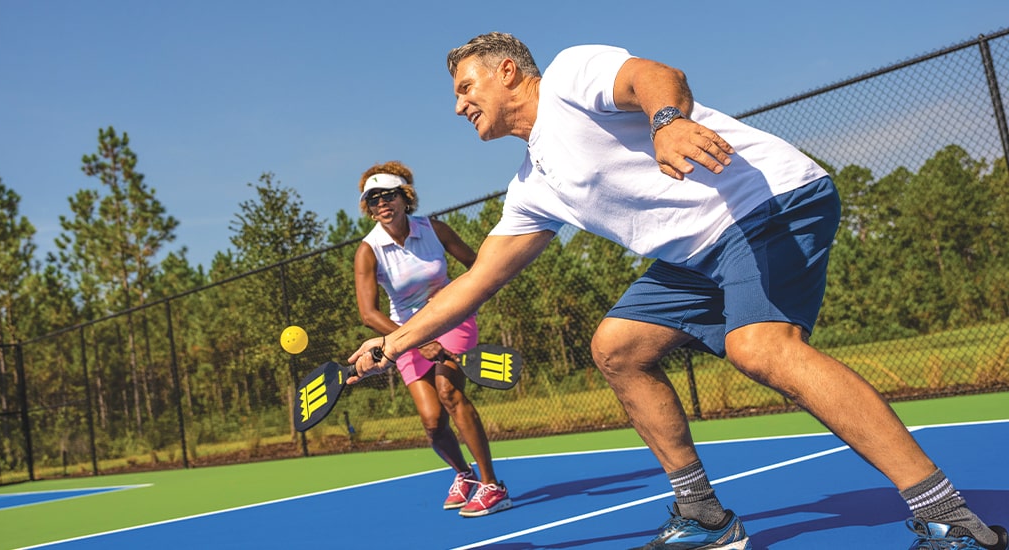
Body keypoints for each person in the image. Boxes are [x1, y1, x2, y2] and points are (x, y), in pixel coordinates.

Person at [347, 32, 1006, 549]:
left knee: (761, 349)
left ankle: (949, 519)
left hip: (766, 203)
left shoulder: (570, 76)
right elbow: (476, 280)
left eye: (466, 88)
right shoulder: (532, 186)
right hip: (697, 254)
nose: (459, 105)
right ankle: (703, 514)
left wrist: (666, 120)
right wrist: (393, 343)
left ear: (508, 72)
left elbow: (654, 75)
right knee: (617, 347)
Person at [348, 160, 511, 518]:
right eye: (373, 199)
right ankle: (464, 474)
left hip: (452, 317)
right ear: (369, 209)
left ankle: (492, 486)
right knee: (432, 422)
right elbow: (368, 314)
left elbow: (479, 267)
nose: (382, 203)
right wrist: (416, 340)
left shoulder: (435, 229)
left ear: (405, 197)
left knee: (449, 392)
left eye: (388, 195)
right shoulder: (368, 251)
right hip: (403, 332)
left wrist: (464, 299)